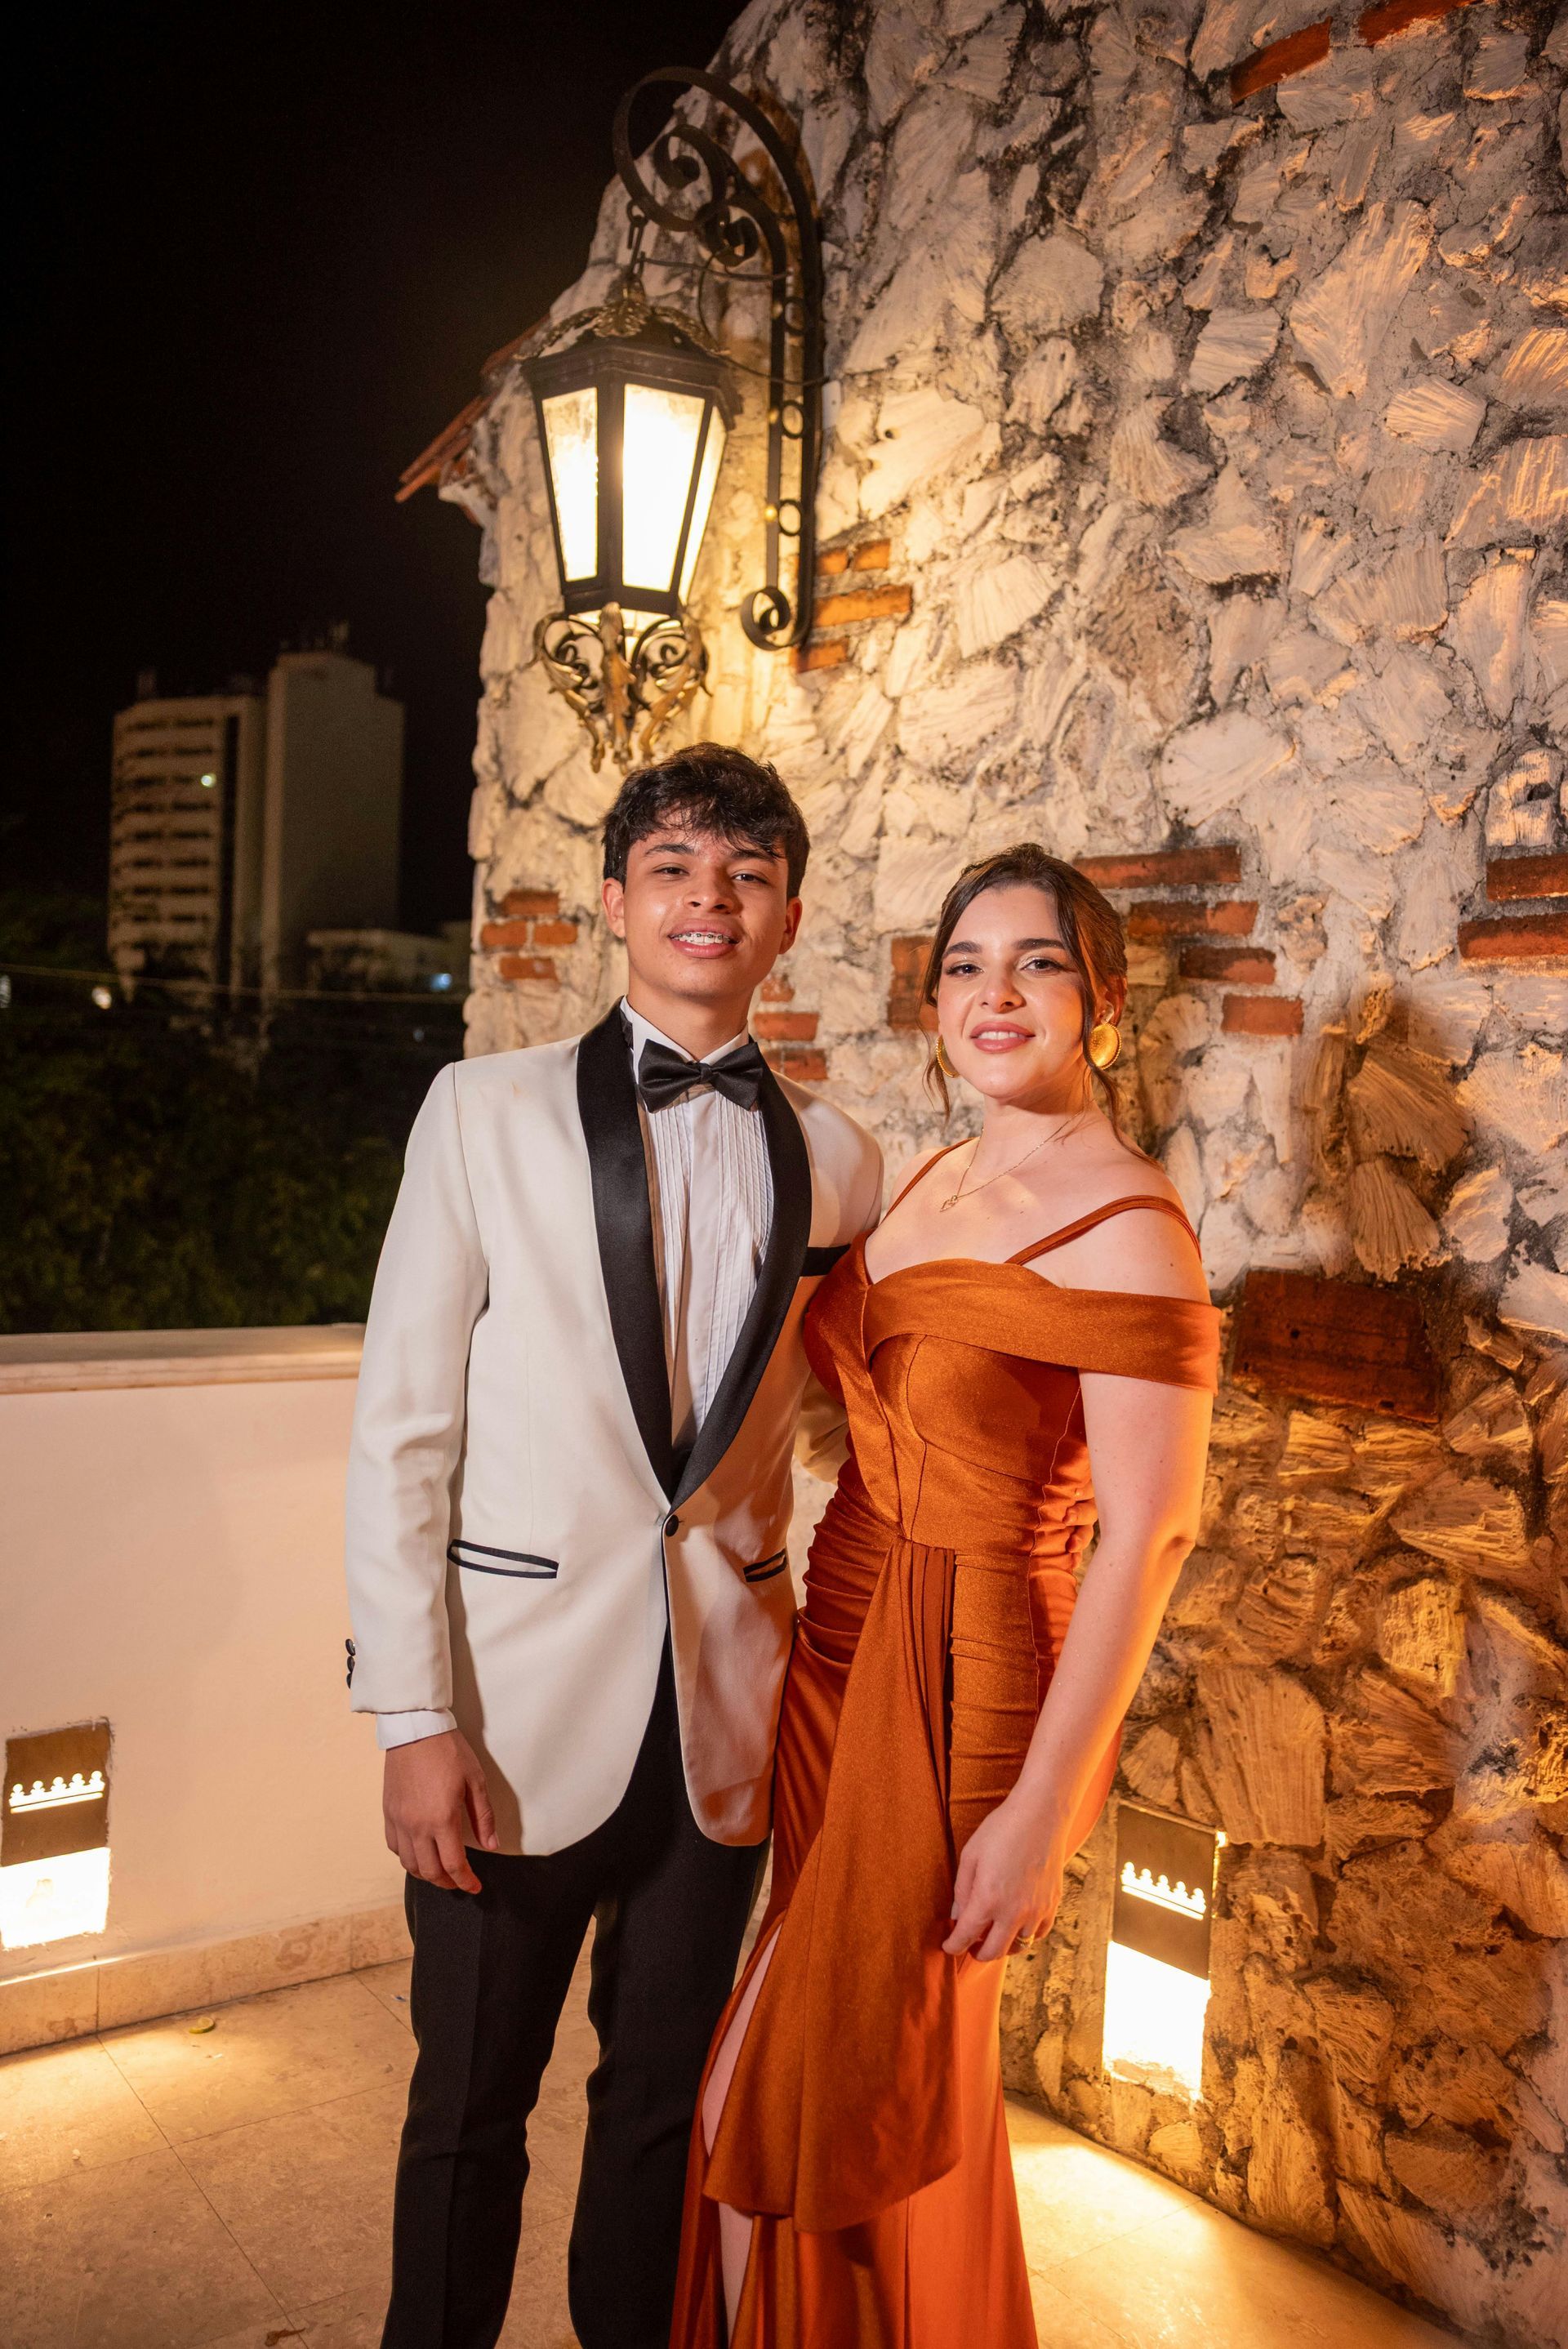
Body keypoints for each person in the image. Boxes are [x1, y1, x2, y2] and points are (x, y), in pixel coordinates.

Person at [343, 742, 882, 2349]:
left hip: (724, 1716)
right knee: (467, 2112)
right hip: (507, 1715)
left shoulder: (842, 1161)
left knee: (661, 2110)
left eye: (746, 873)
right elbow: (401, 1434)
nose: (708, 898)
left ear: (785, 915)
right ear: (616, 902)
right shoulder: (481, 1113)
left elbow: (865, 1409)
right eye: (675, 868)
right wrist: (413, 1716)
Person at [671, 842, 1220, 2347]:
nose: (996, 994)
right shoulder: (925, 1175)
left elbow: (1150, 1536)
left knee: (791, 2081)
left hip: (968, 1676)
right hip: (833, 1649)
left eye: (1037, 963)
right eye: (965, 967)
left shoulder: (1133, 1226)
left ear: (1098, 1000)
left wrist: (1044, 1813)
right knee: (863, 2076)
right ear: (933, 1003)